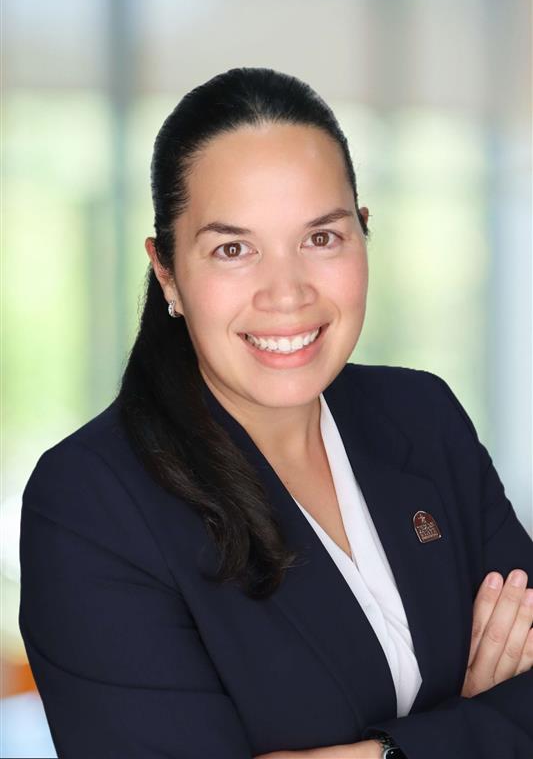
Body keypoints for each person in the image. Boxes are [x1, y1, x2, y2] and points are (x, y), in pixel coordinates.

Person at [19, 67, 533, 759]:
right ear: (166, 272)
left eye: (320, 238)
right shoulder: (92, 501)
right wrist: (466, 728)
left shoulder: (420, 417)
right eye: (233, 249)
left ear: (362, 233)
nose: (286, 293)